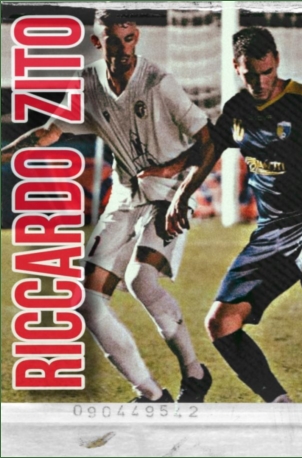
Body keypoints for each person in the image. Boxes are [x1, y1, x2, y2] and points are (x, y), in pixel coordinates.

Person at [2, 10, 218, 403]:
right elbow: (49, 132)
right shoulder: (86, 83)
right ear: (98, 42)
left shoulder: (159, 83)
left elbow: (208, 141)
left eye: (129, 38)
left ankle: (194, 373)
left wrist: (172, 171)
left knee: (142, 281)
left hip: (168, 196)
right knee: (88, 302)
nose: (123, 48)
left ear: (137, 37)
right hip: (124, 196)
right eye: (114, 41)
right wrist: (6, 152)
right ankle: (150, 393)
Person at [168, 26, 302, 403]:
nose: (261, 82)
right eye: (251, 75)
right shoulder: (237, 110)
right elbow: (209, 152)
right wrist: (182, 194)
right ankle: (281, 406)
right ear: (237, 67)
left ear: (276, 62)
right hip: (270, 230)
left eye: (267, 72)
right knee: (220, 323)